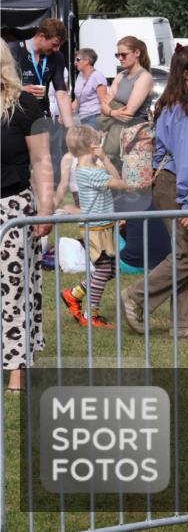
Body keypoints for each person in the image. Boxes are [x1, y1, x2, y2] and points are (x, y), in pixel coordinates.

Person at [120, 46, 188, 339]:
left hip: (174, 182)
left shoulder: (180, 105)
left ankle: (185, 323)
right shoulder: (183, 111)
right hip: (175, 183)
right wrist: (187, 203)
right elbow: (185, 158)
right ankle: (136, 296)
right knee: (187, 255)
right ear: (187, 75)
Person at [0, 42, 53, 393]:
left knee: (13, 290)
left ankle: (18, 368)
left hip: (12, 208)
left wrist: (46, 208)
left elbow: (42, 162)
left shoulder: (24, 104)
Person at [59, 125, 128, 328]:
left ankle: (73, 294)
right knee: (104, 269)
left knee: (110, 270)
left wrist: (104, 159)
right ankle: (92, 314)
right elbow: (120, 182)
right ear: (92, 145)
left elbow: (115, 178)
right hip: (96, 230)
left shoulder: (93, 166)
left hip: (104, 226)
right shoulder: (89, 172)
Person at [8, 19, 70, 184]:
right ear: (42, 36)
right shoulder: (13, 50)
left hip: (41, 119)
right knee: (21, 165)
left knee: (44, 166)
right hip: (15, 117)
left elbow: (61, 93)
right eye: (54, 44)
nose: (56, 49)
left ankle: (44, 204)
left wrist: (71, 129)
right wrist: (21, 90)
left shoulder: (57, 57)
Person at [99, 36, 154, 166]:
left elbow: (127, 114)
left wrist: (109, 110)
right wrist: (113, 112)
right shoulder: (120, 75)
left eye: (124, 54)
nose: (120, 58)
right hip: (116, 136)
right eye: (117, 55)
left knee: (129, 182)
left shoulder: (144, 77)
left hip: (134, 141)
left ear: (137, 53)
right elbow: (103, 105)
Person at [72, 48, 107, 128]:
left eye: (77, 59)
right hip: (80, 118)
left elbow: (104, 102)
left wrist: (103, 125)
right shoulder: (80, 75)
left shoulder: (97, 76)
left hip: (94, 118)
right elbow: (77, 99)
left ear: (87, 61)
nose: (75, 63)